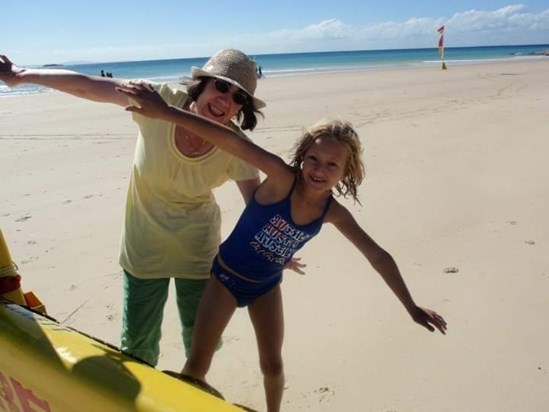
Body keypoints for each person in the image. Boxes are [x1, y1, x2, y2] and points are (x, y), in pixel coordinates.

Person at [117, 83, 448, 412]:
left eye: (332, 165)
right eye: (313, 159)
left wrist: (411, 306)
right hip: (225, 280)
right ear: (302, 157)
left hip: (265, 286)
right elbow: (229, 140)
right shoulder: (279, 177)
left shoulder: (333, 213)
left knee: (273, 366)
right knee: (197, 365)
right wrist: (166, 112)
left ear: (346, 171)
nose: (319, 169)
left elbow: (378, 256)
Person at [0, 49, 265, 367]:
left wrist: (273, 248)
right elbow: (87, 85)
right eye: (221, 87)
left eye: (238, 98)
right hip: (144, 248)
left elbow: (257, 205)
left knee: (201, 341)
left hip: (198, 252)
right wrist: (20, 75)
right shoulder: (157, 101)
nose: (226, 100)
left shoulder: (233, 144)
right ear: (202, 84)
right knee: (138, 346)